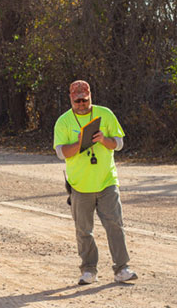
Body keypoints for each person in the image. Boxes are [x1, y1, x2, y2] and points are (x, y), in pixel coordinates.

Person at [53, 80, 137, 285]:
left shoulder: (105, 114)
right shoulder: (63, 122)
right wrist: (81, 143)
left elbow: (119, 144)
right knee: (84, 230)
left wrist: (102, 140)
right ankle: (89, 270)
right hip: (80, 185)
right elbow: (61, 153)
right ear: (71, 98)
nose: (81, 103)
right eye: (77, 100)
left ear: (90, 96)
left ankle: (122, 268)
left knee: (115, 225)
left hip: (107, 181)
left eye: (85, 99)